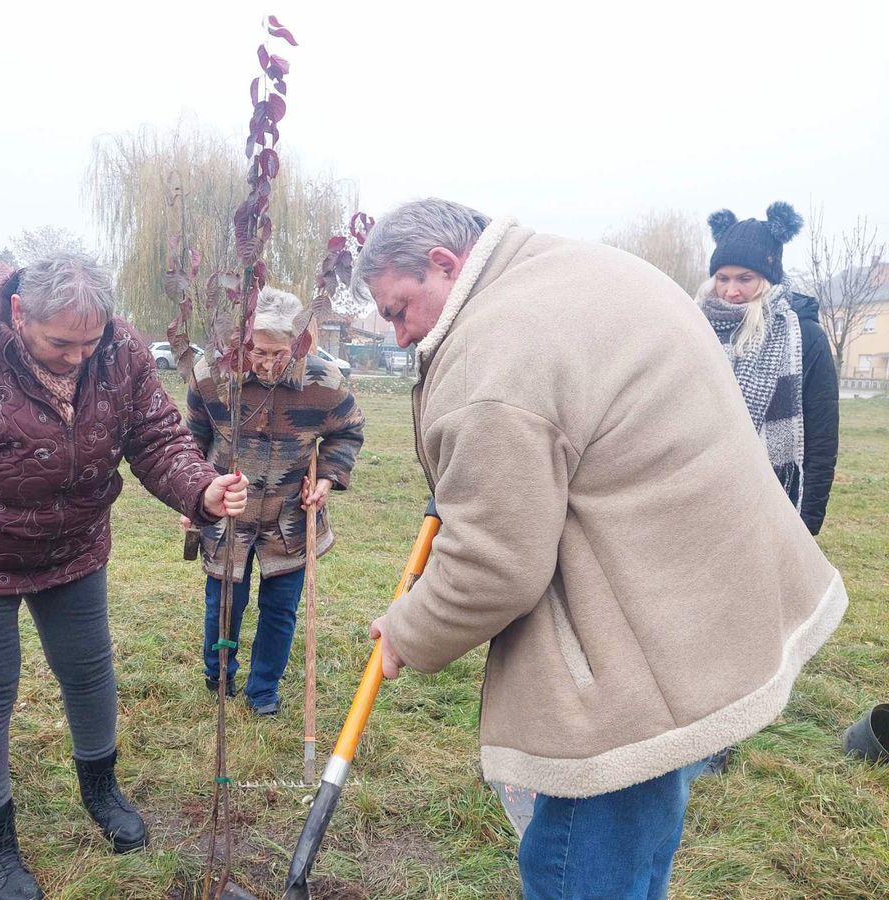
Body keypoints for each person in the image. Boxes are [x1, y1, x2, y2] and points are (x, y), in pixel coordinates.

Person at [353, 198, 847, 899]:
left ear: (444, 264)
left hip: (639, 640)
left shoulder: (494, 352)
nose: (398, 336)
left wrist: (409, 630)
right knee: (642, 820)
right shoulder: (575, 267)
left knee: (578, 855)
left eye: (400, 310)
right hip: (698, 592)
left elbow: (494, 566)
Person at [0, 254, 248, 900]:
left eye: (88, 341)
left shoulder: (120, 349)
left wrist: (203, 491)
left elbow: (155, 437)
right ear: (19, 313)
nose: (77, 356)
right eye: (59, 343)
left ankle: (101, 791)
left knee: (90, 670)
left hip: (72, 547)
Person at [182, 287, 365, 716]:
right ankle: (219, 673)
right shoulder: (212, 376)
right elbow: (190, 441)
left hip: (291, 519)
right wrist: (193, 495)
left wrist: (329, 479)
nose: (266, 363)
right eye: (258, 351)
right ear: (243, 340)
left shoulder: (325, 383)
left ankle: (263, 690)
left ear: (298, 344)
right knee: (224, 602)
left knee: (280, 609)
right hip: (227, 514)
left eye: (279, 353)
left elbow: (348, 432)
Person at [698, 203, 839, 535]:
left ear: (768, 278)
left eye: (745, 278)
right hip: (700, 495)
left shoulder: (805, 337)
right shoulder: (696, 330)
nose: (731, 291)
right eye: (723, 278)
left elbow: (821, 436)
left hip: (771, 500)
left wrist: (807, 522)